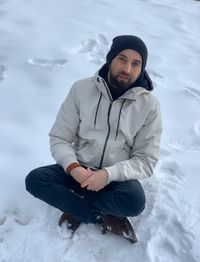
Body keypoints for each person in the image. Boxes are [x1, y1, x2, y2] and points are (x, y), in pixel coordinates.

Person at [25, 35, 162, 244]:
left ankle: (74, 204)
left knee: (134, 202)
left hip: (115, 178)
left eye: (136, 64)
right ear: (110, 59)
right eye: (122, 59)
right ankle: (97, 216)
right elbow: (59, 137)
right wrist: (74, 168)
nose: (127, 69)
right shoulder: (81, 89)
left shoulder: (149, 106)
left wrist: (107, 175)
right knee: (35, 180)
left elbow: (146, 160)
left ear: (142, 68)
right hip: (78, 169)